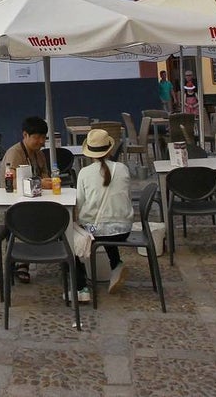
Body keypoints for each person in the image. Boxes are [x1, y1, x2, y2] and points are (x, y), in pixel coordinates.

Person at [72, 129, 134, 302]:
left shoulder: (84, 173)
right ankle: (116, 264)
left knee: (70, 236)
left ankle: (81, 287)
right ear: (110, 149)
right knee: (106, 225)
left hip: (95, 230)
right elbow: (126, 197)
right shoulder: (123, 169)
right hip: (124, 229)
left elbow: (79, 204)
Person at [0, 116, 52, 283]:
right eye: (36, 137)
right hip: (15, 204)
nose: (41, 141)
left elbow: (45, 174)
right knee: (29, 220)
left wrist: (48, 181)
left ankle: (68, 257)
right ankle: (22, 262)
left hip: (36, 200)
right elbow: (12, 181)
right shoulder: (14, 153)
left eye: (43, 137)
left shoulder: (39, 155)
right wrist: (41, 183)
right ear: (25, 135)